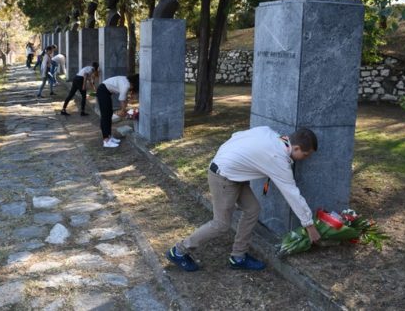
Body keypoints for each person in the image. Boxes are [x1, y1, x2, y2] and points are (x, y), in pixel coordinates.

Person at [166, 126, 321, 271]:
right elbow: (292, 194)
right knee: (221, 224)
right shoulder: (277, 158)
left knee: (253, 210)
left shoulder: (269, 133)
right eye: (305, 155)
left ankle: (238, 256)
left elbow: (237, 136)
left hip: (233, 174)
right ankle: (178, 251)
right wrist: (309, 225)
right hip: (223, 176)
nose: (305, 158)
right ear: (296, 148)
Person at [95, 74, 139, 148]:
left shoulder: (126, 81)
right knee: (105, 116)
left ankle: (109, 136)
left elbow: (125, 99)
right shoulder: (126, 85)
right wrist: (123, 111)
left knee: (109, 114)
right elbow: (122, 100)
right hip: (102, 91)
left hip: (106, 92)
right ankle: (106, 141)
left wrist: (124, 108)